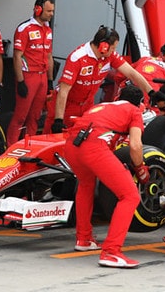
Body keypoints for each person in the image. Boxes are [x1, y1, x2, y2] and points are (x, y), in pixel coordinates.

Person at [62, 85, 149, 268]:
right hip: (93, 147)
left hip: (71, 145)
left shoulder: (101, 106)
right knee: (130, 196)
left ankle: (84, 239)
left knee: (86, 185)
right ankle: (111, 252)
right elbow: (135, 146)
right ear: (140, 103)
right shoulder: (134, 111)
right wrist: (140, 168)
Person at [44, 26, 153, 133]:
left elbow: (132, 73)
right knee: (52, 140)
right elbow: (64, 91)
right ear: (104, 46)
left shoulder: (110, 56)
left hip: (87, 105)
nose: (114, 51)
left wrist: (151, 92)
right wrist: (59, 119)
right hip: (66, 105)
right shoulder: (77, 58)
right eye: (113, 48)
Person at [7, 0, 54, 142]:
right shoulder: (24, 28)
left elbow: (49, 56)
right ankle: (10, 149)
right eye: (48, 11)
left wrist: (50, 81)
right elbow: (17, 56)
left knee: (35, 117)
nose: (51, 14)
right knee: (20, 116)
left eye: (52, 11)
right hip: (28, 76)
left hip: (42, 77)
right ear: (38, 9)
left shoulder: (48, 30)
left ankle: (29, 149)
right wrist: (20, 81)